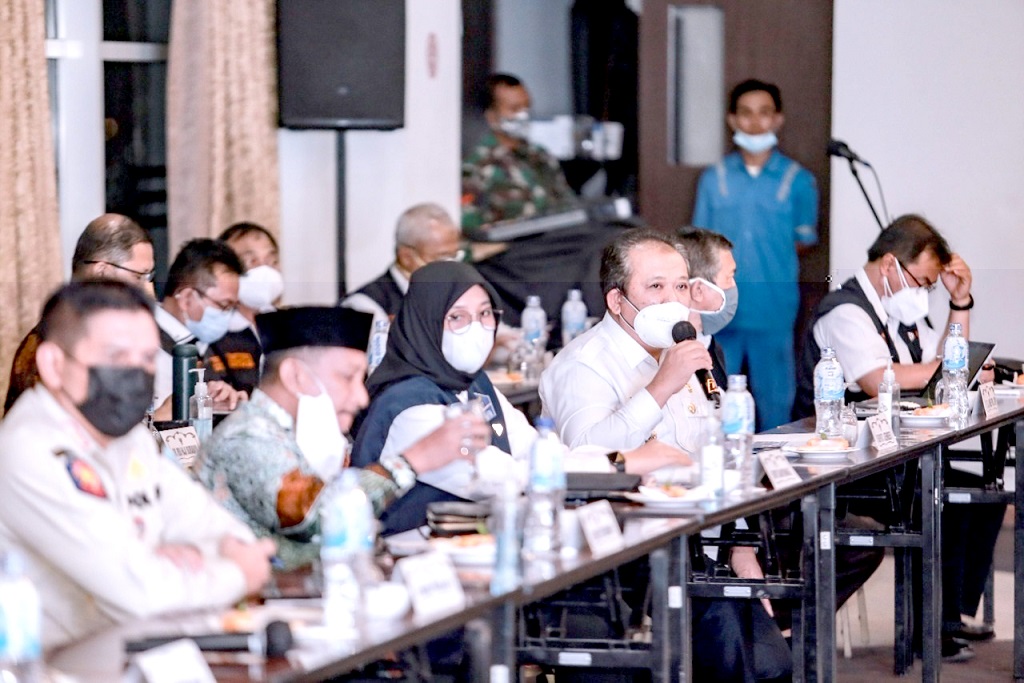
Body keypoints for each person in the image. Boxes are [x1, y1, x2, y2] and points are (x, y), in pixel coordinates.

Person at [0, 281, 275, 649]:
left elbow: (221, 529)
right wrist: (236, 574)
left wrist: (165, 560)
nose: (135, 374)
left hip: (133, 657)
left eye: (146, 359)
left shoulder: (127, 438)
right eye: (116, 357)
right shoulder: (30, 451)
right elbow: (142, 595)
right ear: (53, 364)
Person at [352, 260, 694, 536]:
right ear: (425, 323)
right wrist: (620, 465)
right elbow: (500, 478)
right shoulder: (408, 403)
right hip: (412, 567)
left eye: (485, 314)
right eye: (457, 317)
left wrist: (621, 465)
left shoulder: (474, 384)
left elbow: (539, 451)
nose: (478, 328)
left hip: (481, 550)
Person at [794, 213, 1003, 662]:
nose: (924, 294)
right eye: (923, 283)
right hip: (848, 465)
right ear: (890, 265)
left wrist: (960, 305)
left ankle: (948, 617)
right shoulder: (845, 311)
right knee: (940, 496)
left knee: (981, 493)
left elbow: (948, 356)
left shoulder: (895, 314)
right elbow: (876, 379)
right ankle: (929, 630)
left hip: (894, 456)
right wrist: (953, 369)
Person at [196, 307, 490, 569]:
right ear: (296, 376)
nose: (361, 397)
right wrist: (415, 460)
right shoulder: (247, 438)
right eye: (347, 378)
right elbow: (318, 518)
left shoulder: (306, 434)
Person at [692, 78, 818, 430]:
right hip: (719, 308)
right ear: (732, 120)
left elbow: (803, 240)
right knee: (712, 399)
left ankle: (777, 481)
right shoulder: (713, 178)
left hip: (773, 307)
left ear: (778, 119)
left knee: (775, 401)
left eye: (764, 114)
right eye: (745, 114)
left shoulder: (798, 180)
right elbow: (699, 244)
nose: (755, 122)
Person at [5, 213, 155, 413]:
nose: (148, 292)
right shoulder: (49, 345)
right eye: (138, 277)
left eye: (149, 277)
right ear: (103, 271)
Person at [461, 73, 575, 234]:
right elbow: (470, 225)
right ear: (491, 116)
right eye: (514, 109)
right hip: (513, 248)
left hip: (559, 240)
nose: (524, 115)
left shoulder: (540, 155)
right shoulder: (477, 164)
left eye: (527, 106)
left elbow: (568, 204)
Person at [154, 238, 248, 418]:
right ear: (187, 297)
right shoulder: (141, 341)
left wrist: (222, 400)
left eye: (232, 308)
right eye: (224, 305)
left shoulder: (205, 344)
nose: (228, 315)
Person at [342, 203, 464, 322]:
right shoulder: (365, 306)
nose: (450, 266)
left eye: (454, 256)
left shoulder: (458, 298)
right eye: (441, 258)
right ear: (406, 257)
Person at [204, 222, 284, 395]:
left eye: (272, 261)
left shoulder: (290, 329)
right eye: (252, 261)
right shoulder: (210, 334)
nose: (265, 271)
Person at [677, 228, 739, 391]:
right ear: (698, 290)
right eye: (729, 278)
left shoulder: (709, 344)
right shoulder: (671, 356)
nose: (734, 287)